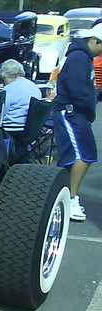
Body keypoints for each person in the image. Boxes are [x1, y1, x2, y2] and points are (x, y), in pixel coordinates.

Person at [52, 23, 102, 221]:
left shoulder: (83, 57)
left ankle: (65, 194)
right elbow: (76, 88)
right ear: (93, 40)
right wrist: (88, 105)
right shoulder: (79, 57)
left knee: (80, 155)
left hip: (78, 113)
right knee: (83, 155)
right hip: (71, 112)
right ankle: (70, 197)